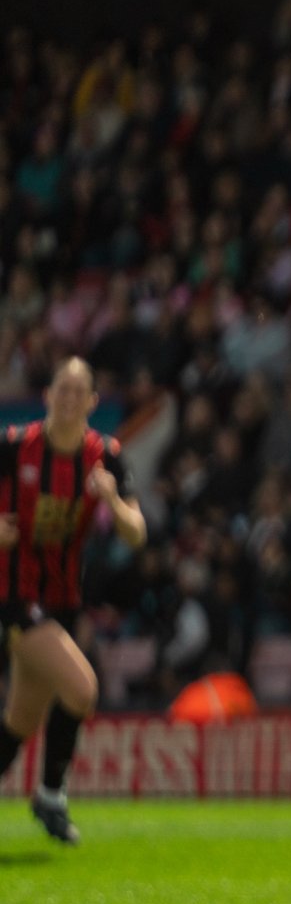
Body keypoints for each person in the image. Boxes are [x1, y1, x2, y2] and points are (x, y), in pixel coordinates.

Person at [0, 358, 146, 845]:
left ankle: (47, 795)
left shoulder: (105, 457)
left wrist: (111, 501)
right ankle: (51, 796)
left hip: (62, 598)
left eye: (77, 391)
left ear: (91, 403)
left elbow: (137, 534)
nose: (67, 399)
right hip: (14, 594)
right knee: (82, 689)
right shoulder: (16, 446)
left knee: (21, 720)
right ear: (47, 396)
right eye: (61, 389)